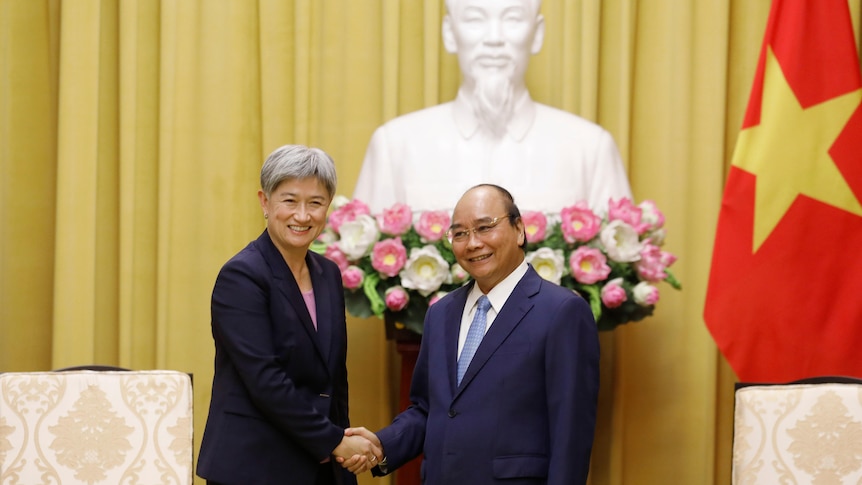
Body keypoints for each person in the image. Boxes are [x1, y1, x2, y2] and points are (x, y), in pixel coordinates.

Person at [342, 184, 601, 484]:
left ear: (519, 229)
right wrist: (380, 445)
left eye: (484, 228)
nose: (472, 243)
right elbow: (429, 410)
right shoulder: (441, 314)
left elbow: (570, 435)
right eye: (460, 233)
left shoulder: (562, 312)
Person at [197, 145, 379, 485]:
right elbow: (265, 380)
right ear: (265, 202)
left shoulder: (328, 273)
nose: (302, 215)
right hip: (254, 466)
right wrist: (335, 441)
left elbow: (333, 381)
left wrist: (341, 457)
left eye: (315, 202)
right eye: (289, 200)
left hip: (320, 465)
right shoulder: (242, 275)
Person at [352, 0, 632, 215]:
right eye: (475, 19)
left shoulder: (590, 148)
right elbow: (359, 275)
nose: (494, 38)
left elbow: (620, 278)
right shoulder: (395, 145)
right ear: (450, 33)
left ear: (537, 34)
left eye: (513, 19)